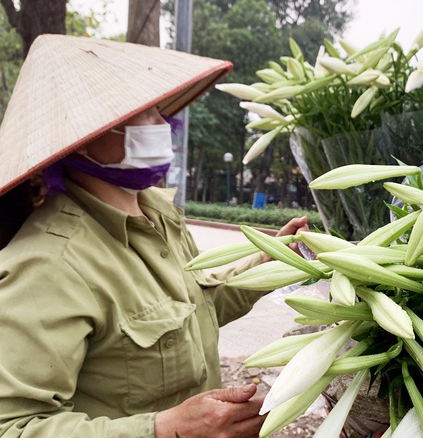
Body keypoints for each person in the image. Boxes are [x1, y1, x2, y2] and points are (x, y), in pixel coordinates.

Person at [0, 34, 309, 438]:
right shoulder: (48, 265)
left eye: (157, 109)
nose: (161, 124)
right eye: (139, 113)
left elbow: (200, 304)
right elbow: (14, 426)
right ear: (82, 137)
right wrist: (167, 428)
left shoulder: (159, 214)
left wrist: (272, 260)